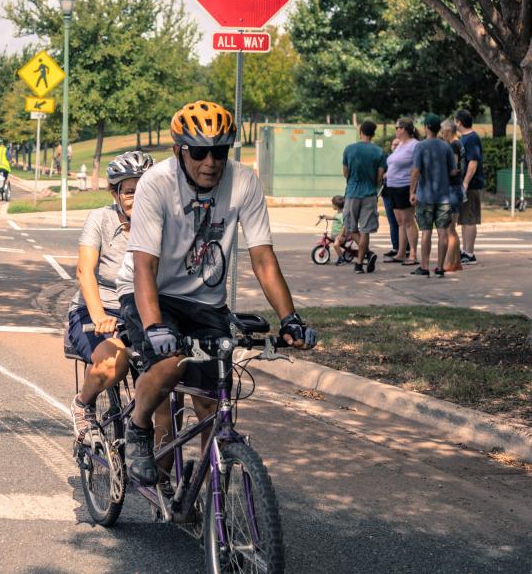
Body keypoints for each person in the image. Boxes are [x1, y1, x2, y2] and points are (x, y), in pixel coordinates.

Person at [115, 100, 317, 487]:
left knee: (212, 398)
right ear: (179, 151)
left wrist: (290, 318)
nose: (210, 161)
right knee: (170, 362)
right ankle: (138, 428)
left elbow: (263, 259)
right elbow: (145, 266)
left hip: (205, 301)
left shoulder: (244, 181)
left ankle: (213, 497)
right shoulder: (156, 184)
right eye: (199, 151)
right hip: (152, 291)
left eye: (220, 151)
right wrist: (155, 326)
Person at [67, 152, 155, 440]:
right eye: (130, 191)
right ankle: (83, 404)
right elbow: (85, 271)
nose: (138, 197)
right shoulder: (100, 219)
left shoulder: (161, 223)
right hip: (99, 311)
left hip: (143, 311)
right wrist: (99, 317)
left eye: (145, 189)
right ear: (115, 193)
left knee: (167, 384)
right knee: (113, 362)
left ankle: (163, 479)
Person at [409, 114, 455, 278]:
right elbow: (452, 170)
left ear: (426, 127)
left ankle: (424, 266)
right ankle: (440, 267)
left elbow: (415, 171)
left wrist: (412, 191)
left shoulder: (421, 146)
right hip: (443, 197)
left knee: (426, 231)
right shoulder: (446, 147)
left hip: (425, 196)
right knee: (443, 231)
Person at [341, 120, 386, 274]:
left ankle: (368, 253)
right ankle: (360, 263)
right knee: (365, 230)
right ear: (373, 134)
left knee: (350, 227)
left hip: (352, 192)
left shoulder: (349, 149)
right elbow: (380, 177)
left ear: (360, 132)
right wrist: (373, 185)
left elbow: (345, 172)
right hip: (370, 194)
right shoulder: (379, 152)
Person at [382, 119, 419, 266]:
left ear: (403, 129)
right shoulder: (400, 145)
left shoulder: (414, 145)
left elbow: (416, 167)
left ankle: (413, 254)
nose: (395, 130)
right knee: (400, 222)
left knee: (409, 221)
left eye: (397, 127)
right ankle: (401, 253)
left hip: (404, 186)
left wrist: (413, 190)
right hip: (392, 186)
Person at [455, 109, 484, 264]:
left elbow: (473, 162)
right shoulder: (464, 138)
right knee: (464, 219)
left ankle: (469, 253)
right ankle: (464, 250)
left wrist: (465, 182)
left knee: (470, 218)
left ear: (459, 122)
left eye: (455, 121)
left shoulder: (472, 138)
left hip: (471, 185)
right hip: (464, 184)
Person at [440, 118, 467, 271]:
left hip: (452, 188)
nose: (442, 135)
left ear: (449, 131)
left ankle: (449, 263)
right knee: (453, 228)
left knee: (449, 229)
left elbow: (454, 168)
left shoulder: (454, 146)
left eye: (443, 132)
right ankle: (456, 262)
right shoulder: (458, 144)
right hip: (456, 188)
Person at [329, 195, 350, 265]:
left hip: (340, 236)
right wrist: (325, 216)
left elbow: (344, 225)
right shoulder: (338, 213)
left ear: (336, 206)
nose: (332, 205)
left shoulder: (342, 215)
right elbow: (333, 218)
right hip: (334, 235)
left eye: (332, 204)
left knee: (335, 245)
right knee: (325, 241)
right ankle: (326, 255)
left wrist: (341, 235)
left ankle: (341, 259)